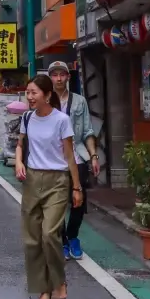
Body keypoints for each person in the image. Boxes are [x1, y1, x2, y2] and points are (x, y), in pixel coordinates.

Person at [15, 74, 82, 299]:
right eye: (28, 92)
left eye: (34, 93)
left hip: (57, 181)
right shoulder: (27, 117)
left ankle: (59, 283)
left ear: (47, 95)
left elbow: (69, 156)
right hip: (32, 179)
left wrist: (76, 186)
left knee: (49, 234)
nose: (30, 97)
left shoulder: (61, 120)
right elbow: (21, 144)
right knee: (32, 239)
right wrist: (18, 162)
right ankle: (42, 289)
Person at [48, 61, 99, 260]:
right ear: (50, 77)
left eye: (62, 74)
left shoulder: (79, 101)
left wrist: (94, 155)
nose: (59, 78)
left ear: (68, 77)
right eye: (55, 75)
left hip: (76, 154)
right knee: (56, 202)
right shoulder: (44, 101)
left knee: (78, 199)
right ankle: (62, 241)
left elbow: (87, 130)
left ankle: (73, 236)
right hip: (52, 157)